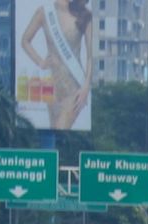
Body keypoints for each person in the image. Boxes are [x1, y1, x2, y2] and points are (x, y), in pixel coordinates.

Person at [20, 0, 93, 130]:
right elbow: (25, 40)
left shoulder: (84, 16)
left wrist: (86, 87)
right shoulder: (44, 12)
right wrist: (40, 62)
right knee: (53, 130)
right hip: (51, 87)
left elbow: (91, 56)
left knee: (60, 128)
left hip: (73, 88)